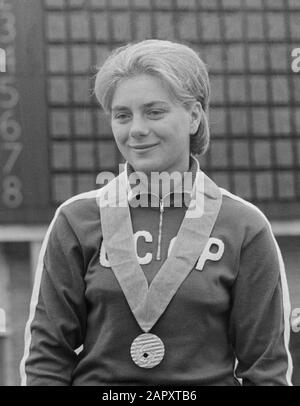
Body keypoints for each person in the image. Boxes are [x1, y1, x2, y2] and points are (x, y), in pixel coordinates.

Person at [20, 39, 293, 386]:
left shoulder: (244, 227)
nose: (136, 129)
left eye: (154, 111)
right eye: (122, 115)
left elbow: (265, 369)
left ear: (194, 116)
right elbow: (47, 359)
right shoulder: (76, 220)